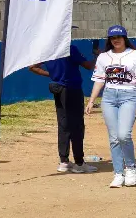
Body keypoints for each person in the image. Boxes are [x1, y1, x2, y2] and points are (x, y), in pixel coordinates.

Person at [86, 25, 136, 188]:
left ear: (124, 38)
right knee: (114, 137)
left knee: (123, 135)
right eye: (113, 38)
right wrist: (91, 100)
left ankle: (131, 168)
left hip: (129, 96)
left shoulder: (135, 55)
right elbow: (99, 80)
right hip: (109, 97)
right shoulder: (103, 57)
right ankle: (118, 173)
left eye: (119, 37)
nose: (116, 40)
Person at [28, 39, 98, 174]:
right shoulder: (70, 49)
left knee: (63, 124)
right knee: (77, 125)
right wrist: (97, 56)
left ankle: (64, 161)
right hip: (72, 89)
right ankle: (79, 163)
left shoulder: (47, 50)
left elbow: (32, 67)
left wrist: (52, 75)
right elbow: (89, 66)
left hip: (58, 88)